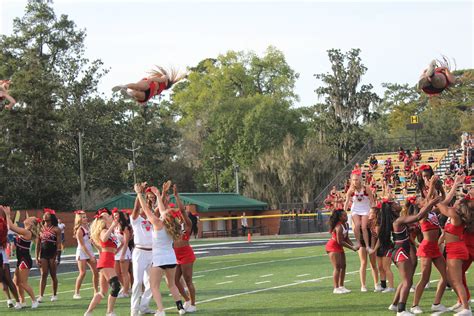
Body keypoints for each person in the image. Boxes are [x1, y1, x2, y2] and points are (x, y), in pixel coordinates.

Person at [380, 196, 439, 316]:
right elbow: (418, 216)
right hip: (400, 252)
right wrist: (431, 203)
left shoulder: (399, 219)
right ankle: (401, 310)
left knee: (406, 279)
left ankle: (395, 305)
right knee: (408, 281)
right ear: (392, 209)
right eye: (395, 203)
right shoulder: (398, 221)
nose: (398, 204)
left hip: (401, 251)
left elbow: (416, 218)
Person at [134, 182, 186, 316]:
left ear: (166, 216)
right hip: (171, 258)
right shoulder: (172, 225)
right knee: (172, 285)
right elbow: (162, 210)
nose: (164, 211)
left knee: (154, 286)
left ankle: (161, 310)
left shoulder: (158, 223)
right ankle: (180, 308)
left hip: (158, 259)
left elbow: (145, 209)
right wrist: (158, 194)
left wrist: (139, 193)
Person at [437, 175, 473, 315]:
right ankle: (463, 303)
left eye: (458, 202)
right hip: (458, 247)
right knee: (455, 278)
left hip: (458, 249)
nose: (456, 202)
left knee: (456, 280)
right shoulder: (462, 214)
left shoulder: (455, 215)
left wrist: (435, 193)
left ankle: (465, 308)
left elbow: (442, 205)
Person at [410, 193, 449, 314]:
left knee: (446, 275)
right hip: (426, 248)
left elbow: (446, 201)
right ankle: (414, 305)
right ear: (418, 204)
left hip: (435, 247)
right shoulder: (423, 213)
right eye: (422, 199)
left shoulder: (433, 212)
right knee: (425, 278)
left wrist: (456, 184)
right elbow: (428, 202)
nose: (425, 200)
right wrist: (431, 184)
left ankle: (436, 303)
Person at [84, 208, 121, 316]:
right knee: (116, 285)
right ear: (103, 220)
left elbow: (103, 248)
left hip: (108, 260)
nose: (111, 216)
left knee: (102, 292)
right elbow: (104, 239)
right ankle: (109, 312)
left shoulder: (111, 231)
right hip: (106, 261)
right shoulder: (104, 230)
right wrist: (113, 226)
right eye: (108, 216)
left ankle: (88, 312)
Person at [1, 206, 39, 309]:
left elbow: (12, 227)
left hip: (24, 260)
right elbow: (11, 229)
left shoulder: (27, 232)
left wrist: (7, 214)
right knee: (16, 282)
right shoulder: (24, 231)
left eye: (30, 218)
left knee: (23, 283)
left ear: (31, 224)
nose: (27, 218)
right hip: (21, 259)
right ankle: (22, 301)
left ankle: (34, 301)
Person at [129, 188, 155, 316]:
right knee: (138, 282)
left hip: (152, 252)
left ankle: (144, 307)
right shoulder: (135, 219)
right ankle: (134, 310)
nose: (142, 209)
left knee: (151, 283)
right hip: (140, 252)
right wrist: (139, 194)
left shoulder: (151, 217)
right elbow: (135, 208)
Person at [173, 185, 197, 313]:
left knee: (188, 280)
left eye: (181, 215)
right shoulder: (173, 228)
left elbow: (182, 210)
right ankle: (187, 299)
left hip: (186, 255)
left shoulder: (188, 225)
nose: (179, 216)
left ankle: (193, 303)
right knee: (175, 281)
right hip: (176, 255)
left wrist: (177, 196)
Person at [326, 209, 359, 294]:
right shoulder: (338, 227)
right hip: (333, 247)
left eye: (346, 215)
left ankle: (341, 286)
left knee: (343, 266)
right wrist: (352, 248)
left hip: (339, 247)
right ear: (340, 217)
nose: (346, 217)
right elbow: (339, 241)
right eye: (344, 215)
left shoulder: (346, 225)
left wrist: (353, 245)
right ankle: (336, 288)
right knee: (337, 267)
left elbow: (346, 238)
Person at [112, 67, 185, 104]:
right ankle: (125, 88)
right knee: (137, 88)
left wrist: (152, 79)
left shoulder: (164, 83)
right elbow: (161, 79)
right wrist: (153, 79)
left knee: (136, 89)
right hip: (148, 89)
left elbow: (160, 81)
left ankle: (127, 91)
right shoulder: (164, 81)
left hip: (149, 90)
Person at [344, 173, 375, 251]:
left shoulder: (366, 188)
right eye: (353, 180)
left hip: (365, 209)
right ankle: (358, 243)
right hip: (355, 209)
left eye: (356, 179)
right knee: (357, 225)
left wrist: (373, 210)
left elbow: (372, 200)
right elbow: (347, 201)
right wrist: (344, 211)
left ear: (360, 180)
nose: (355, 181)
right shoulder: (351, 190)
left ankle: (367, 246)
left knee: (364, 227)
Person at [36, 208, 62, 302]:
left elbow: (59, 243)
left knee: (53, 275)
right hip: (43, 254)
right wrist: (36, 256)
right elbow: (38, 244)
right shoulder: (40, 228)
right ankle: (40, 296)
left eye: (47, 214)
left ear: (51, 217)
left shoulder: (56, 229)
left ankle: (54, 295)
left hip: (52, 254)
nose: (44, 215)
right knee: (43, 274)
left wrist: (58, 256)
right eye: (44, 214)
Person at [73, 210, 99, 299]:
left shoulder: (88, 227)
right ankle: (76, 292)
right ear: (79, 219)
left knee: (96, 271)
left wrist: (98, 249)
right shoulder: (79, 230)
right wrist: (90, 256)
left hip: (90, 250)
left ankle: (96, 291)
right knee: (82, 273)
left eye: (86, 217)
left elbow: (91, 240)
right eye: (83, 217)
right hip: (82, 252)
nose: (86, 218)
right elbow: (82, 245)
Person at [0, 206, 21, 309]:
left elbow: (9, 228)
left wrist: (7, 215)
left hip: (2, 254)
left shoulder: (3, 224)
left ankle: (18, 301)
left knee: (7, 279)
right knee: (2, 280)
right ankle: (9, 300)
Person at [112, 208, 132, 298]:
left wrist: (122, 254)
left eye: (117, 215)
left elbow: (125, 241)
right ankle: (124, 287)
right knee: (117, 273)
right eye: (114, 215)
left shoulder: (124, 227)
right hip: (117, 252)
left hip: (124, 251)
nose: (115, 216)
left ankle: (126, 292)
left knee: (124, 273)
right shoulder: (114, 226)